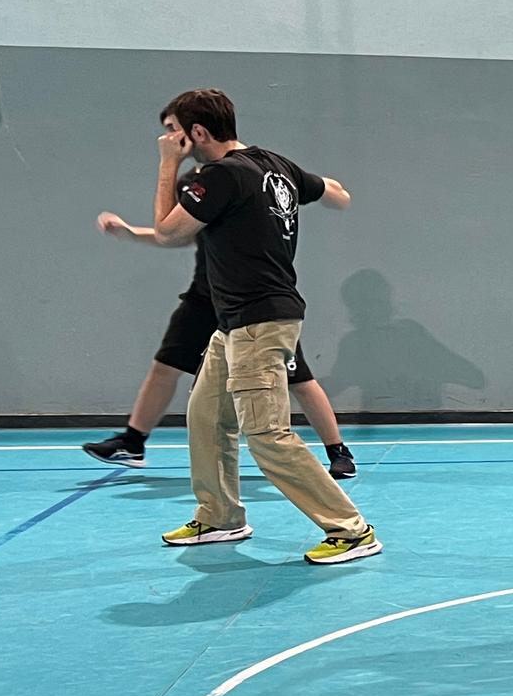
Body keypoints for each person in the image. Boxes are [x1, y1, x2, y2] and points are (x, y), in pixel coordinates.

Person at [101, 89, 378, 562]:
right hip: (232, 325)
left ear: (198, 133)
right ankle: (220, 516)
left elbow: (169, 231)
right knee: (205, 418)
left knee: (267, 433)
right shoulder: (274, 164)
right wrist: (325, 195)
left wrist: (167, 164)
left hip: (259, 322)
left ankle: (351, 530)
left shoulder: (221, 175)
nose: (169, 139)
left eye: (175, 133)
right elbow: (335, 192)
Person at [82, 239, 358, 479]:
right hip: (203, 301)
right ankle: (133, 442)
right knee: (164, 367)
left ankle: (337, 450)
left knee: (299, 380)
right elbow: (174, 231)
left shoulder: (249, 195)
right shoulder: (200, 193)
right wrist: (132, 232)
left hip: (251, 304)